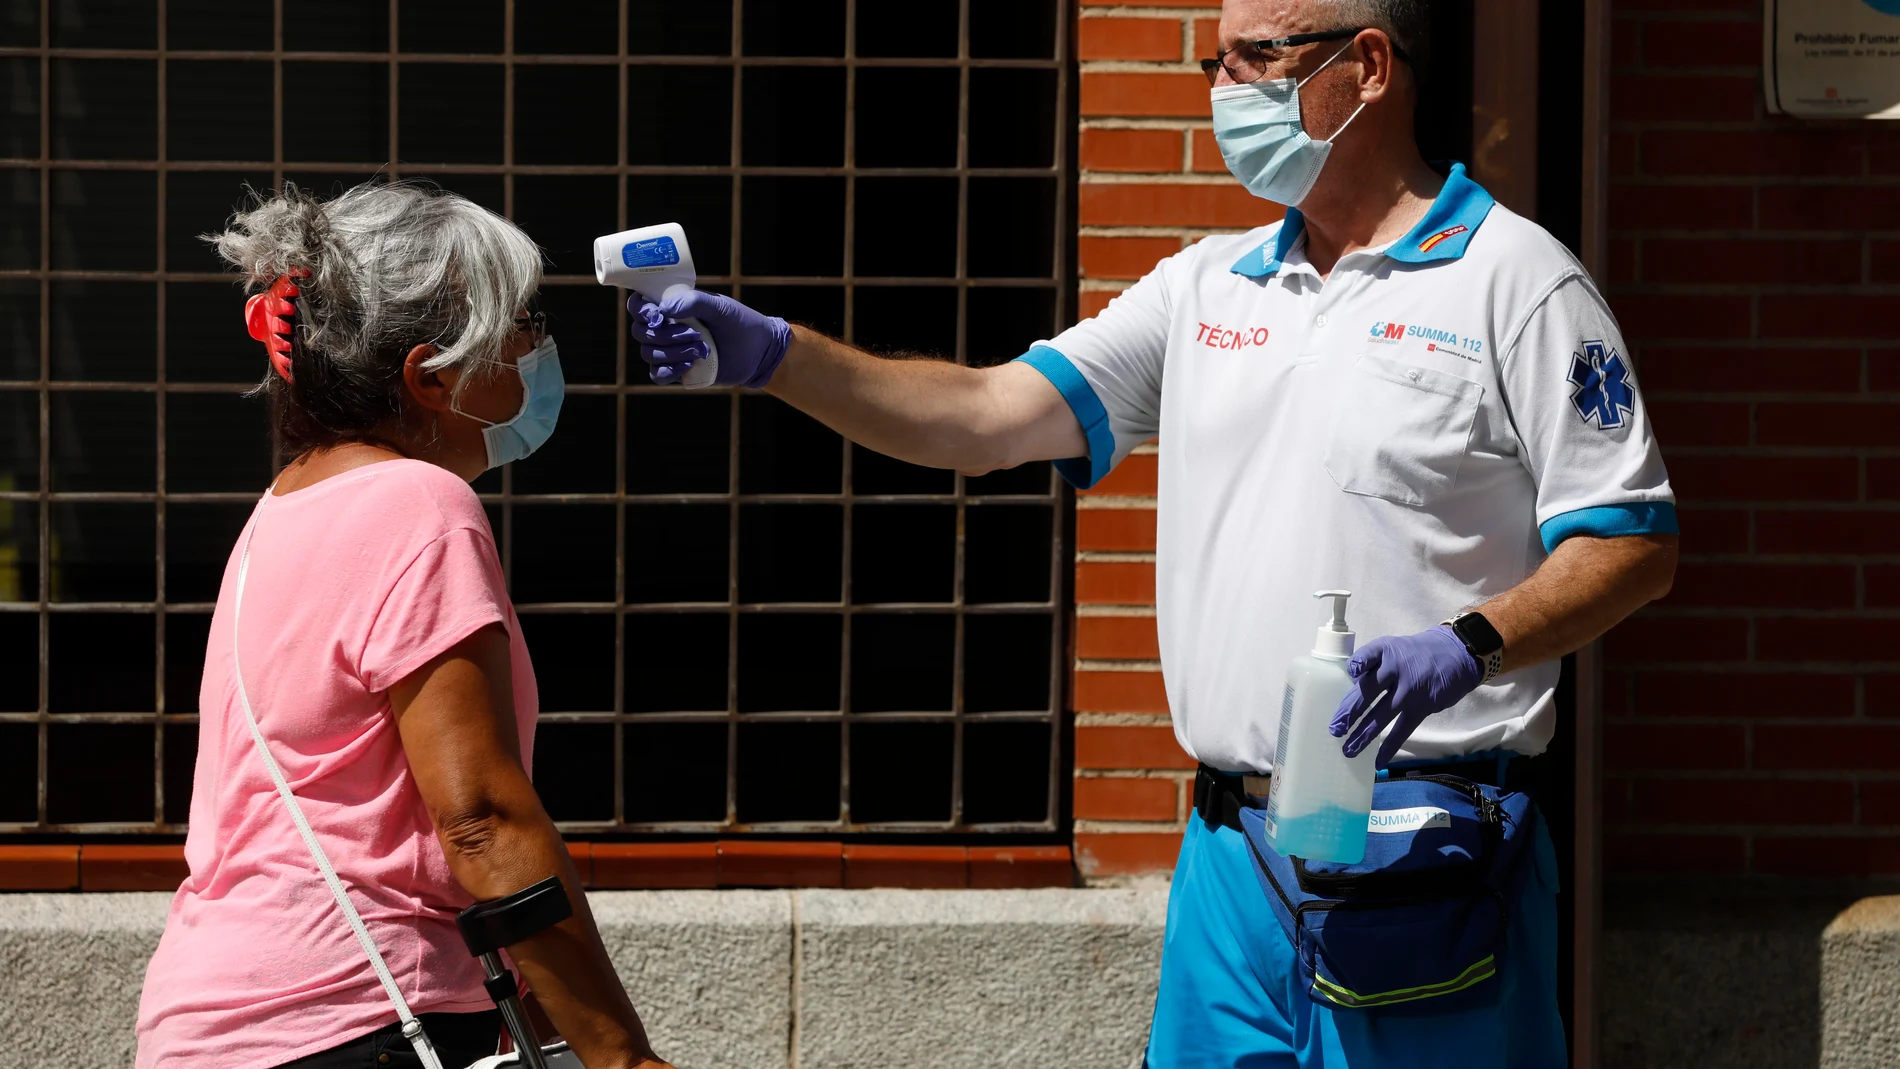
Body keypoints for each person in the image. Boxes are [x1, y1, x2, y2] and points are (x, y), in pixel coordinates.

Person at [627, 1, 1677, 1066]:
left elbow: (1631, 542)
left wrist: (1470, 643)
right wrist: (775, 356)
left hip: (1430, 854)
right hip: (1233, 859)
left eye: (1255, 60)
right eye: (1213, 63)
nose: (1224, 92)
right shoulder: (1206, 286)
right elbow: (986, 419)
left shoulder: (1518, 281)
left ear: (1367, 66)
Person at [136, 181, 672, 1069]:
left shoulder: (284, 507)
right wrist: (625, 1058)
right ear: (432, 376)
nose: (540, 350)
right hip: (354, 1017)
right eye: (523, 324)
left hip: (216, 1023)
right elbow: (482, 821)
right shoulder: (422, 502)